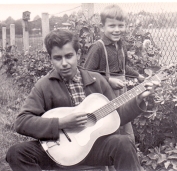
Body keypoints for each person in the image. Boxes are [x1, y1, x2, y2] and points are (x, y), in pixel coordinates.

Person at [6, 29, 159, 171]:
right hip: (60, 152)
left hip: (94, 149)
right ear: (50, 59)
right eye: (58, 58)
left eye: (69, 56)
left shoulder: (97, 80)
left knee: (124, 143)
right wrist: (62, 123)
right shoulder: (44, 85)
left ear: (77, 55)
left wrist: (138, 99)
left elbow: (117, 115)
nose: (64, 63)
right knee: (16, 153)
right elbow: (21, 122)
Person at [84, 4, 144, 135]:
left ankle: (125, 149)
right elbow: (86, 73)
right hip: (103, 97)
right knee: (108, 130)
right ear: (102, 27)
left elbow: (123, 68)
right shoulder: (98, 48)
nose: (117, 30)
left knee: (125, 128)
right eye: (112, 26)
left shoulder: (121, 46)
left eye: (120, 25)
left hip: (121, 95)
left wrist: (137, 75)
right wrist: (108, 80)